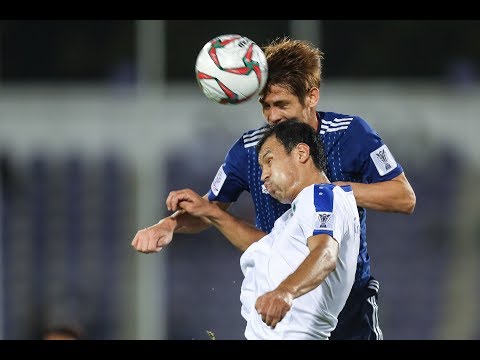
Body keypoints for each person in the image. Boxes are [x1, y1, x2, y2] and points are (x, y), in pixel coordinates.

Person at [131, 37, 416, 340]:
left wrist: (329, 192)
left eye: (282, 104)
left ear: (311, 97)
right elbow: (209, 210)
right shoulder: (250, 150)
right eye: (265, 106)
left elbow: (403, 197)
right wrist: (169, 225)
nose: (272, 116)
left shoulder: (350, 134)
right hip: (281, 308)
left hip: (346, 301)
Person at [166, 119, 360, 339]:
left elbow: (325, 254)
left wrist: (285, 291)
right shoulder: (296, 215)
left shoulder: (323, 196)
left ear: (301, 153)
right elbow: (262, 246)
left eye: (269, 161)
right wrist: (210, 211)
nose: (263, 175)